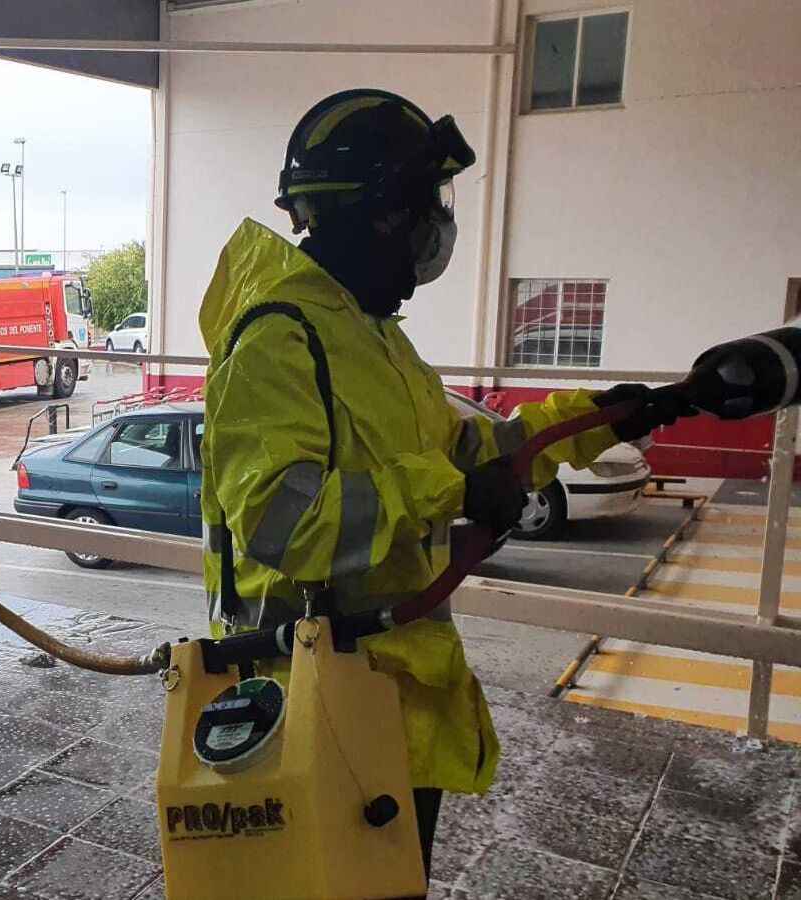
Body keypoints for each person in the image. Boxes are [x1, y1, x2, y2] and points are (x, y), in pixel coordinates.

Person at [197, 89, 691, 876]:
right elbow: (283, 526)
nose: (437, 225)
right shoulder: (278, 340)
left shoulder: (372, 335)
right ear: (381, 213)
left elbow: (470, 450)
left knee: (388, 880)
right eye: (428, 201)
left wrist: (602, 417)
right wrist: (453, 495)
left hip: (385, 686)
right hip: (308, 689)